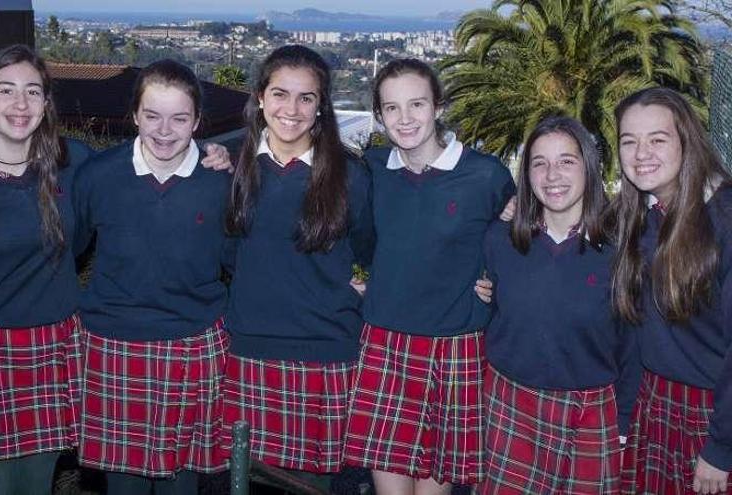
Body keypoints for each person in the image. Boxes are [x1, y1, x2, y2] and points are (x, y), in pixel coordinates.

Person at [342, 58, 514, 495]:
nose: (406, 118)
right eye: (392, 108)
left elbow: (516, 243)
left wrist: (498, 284)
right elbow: (363, 242)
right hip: (385, 343)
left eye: (417, 104)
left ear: (438, 106)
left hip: (455, 347)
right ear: (379, 116)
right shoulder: (372, 171)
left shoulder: (486, 174)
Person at [74, 59, 232, 494]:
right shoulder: (97, 176)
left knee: (181, 486)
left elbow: (243, 258)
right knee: (123, 486)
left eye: (179, 118)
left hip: (192, 346)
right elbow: (68, 251)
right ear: (134, 115)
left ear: (198, 121)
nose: (165, 130)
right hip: (114, 346)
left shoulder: (222, 182)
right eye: (152, 116)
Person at [221, 44, 374, 487]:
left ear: (321, 106)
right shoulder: (230, 167)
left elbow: (370, 250)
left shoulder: (352, 175)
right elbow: (225, 253)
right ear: (260, 98)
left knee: (315, 488)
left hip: (327, 352)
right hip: (249, 349)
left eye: (306, 97)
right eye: (280, 94)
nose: (292, 109)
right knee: (244, 482)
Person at [0, 44, 92, 495]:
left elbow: (153, 155)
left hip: (56, 346)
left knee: (37, 484)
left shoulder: (75, 163)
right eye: (6, 90)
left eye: (33, 92)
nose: (21, 104)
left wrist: (213, 158)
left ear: (47, 103)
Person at [476, 116, 640, 494]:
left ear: (589, 167)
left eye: (566, 161)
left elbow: (632, 345)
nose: (553, 175)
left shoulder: (621, 250)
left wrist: (624, 424)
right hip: (509, 405)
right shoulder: (498, 239)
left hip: (592, 412)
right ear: (526, 174)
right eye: (539, 163)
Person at [614, 87, 732, 495]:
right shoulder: (639, 217)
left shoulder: (724, 217)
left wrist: (721, 447)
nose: (641, 153)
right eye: (629, 141)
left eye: (657, 139)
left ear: (687, 142)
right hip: (655, 405)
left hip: (714, 415)